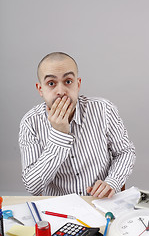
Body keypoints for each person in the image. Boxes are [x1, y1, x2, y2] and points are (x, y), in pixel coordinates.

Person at [19, 52, 136, 198]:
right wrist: (59, 134)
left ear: (78, 84)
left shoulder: (104, 109)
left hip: (100, 202)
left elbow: (125, 152)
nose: (61, 91)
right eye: (51, 83)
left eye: (68, 81)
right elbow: (32, 186)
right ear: (40, 89)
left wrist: (112, 181)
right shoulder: (30, 123)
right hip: (58, 207)